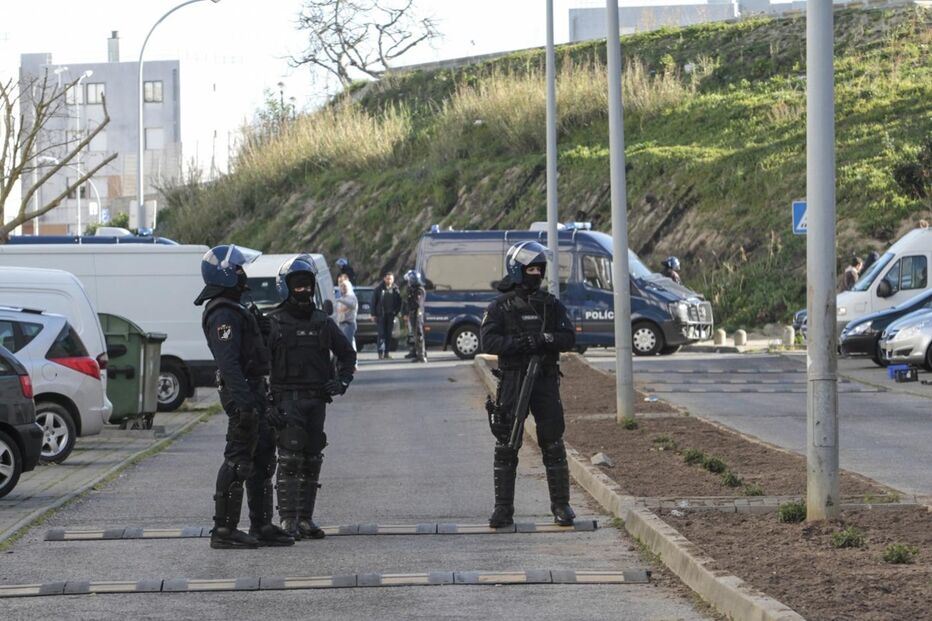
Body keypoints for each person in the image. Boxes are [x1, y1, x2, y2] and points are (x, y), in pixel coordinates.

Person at [194, 244, 294, 549]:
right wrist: (245, 402)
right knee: (238, 460)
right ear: (224, 274)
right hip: (242, 393)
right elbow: (229, 362)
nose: (242, 274)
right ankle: (223, 530)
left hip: (254, 390)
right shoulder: (222, 313)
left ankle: (261, 524)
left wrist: (262, 331)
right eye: (237, 270)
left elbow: (253, 353)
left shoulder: (236, 308)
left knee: (263, 457)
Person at [480, 241, 576, 528]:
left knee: (553, 441)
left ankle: (561, 506)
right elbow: (488, 341)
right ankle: (503, 510)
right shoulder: (500, 306)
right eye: (531, 268)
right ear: (518, 270)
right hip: (513, 381)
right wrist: (519, 344)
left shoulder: (551, 306)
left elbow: (568, 337)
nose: (536, 274)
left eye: (539, 269)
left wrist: (544, 340)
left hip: (544, 381)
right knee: (507, 443)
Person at [266, 255, 357, 540]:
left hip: (316, 400)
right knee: (290, 457)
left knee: (311, 458)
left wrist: (341, 381)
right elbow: (255, 363)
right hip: (286, 399)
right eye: (298, 285)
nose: (303, 290)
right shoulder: (274, 322)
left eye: (307, 285)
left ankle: (305, 519)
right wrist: (265, 400)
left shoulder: (322, 322)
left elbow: (347, 353)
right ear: (286, 287)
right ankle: (287, 520)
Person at [372, 271, 402, 360]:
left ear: (393, 280)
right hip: (381, 315)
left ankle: (387, 353)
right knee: (381, 334)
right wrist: (373, 314)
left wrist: (396, 312)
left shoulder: (396, 289)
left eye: (391, 279)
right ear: (384, 279)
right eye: (388, 278)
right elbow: (373, 302)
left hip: (391, 315)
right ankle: (380, 353)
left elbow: (399, 302)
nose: (389, 280)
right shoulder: (378, 289)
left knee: (389, 334)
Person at [402, 269, 427, 363]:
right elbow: (407, 302)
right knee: (415, 335)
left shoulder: (419, 290)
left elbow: (418, 305)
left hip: (417, 314)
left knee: (419, 334)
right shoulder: (411, 289)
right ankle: (418, 354)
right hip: (412, 314)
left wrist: (416, 315)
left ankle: (422, 355)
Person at [335, 273, 358, 351]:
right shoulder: (341, 297)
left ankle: (351, 361)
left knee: (348, 343)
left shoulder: (351, 297)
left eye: (345, 286)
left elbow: (352, 305)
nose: (343, 288)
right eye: (341, 286)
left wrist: (340, 300)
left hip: (349, 324)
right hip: (340, 324)